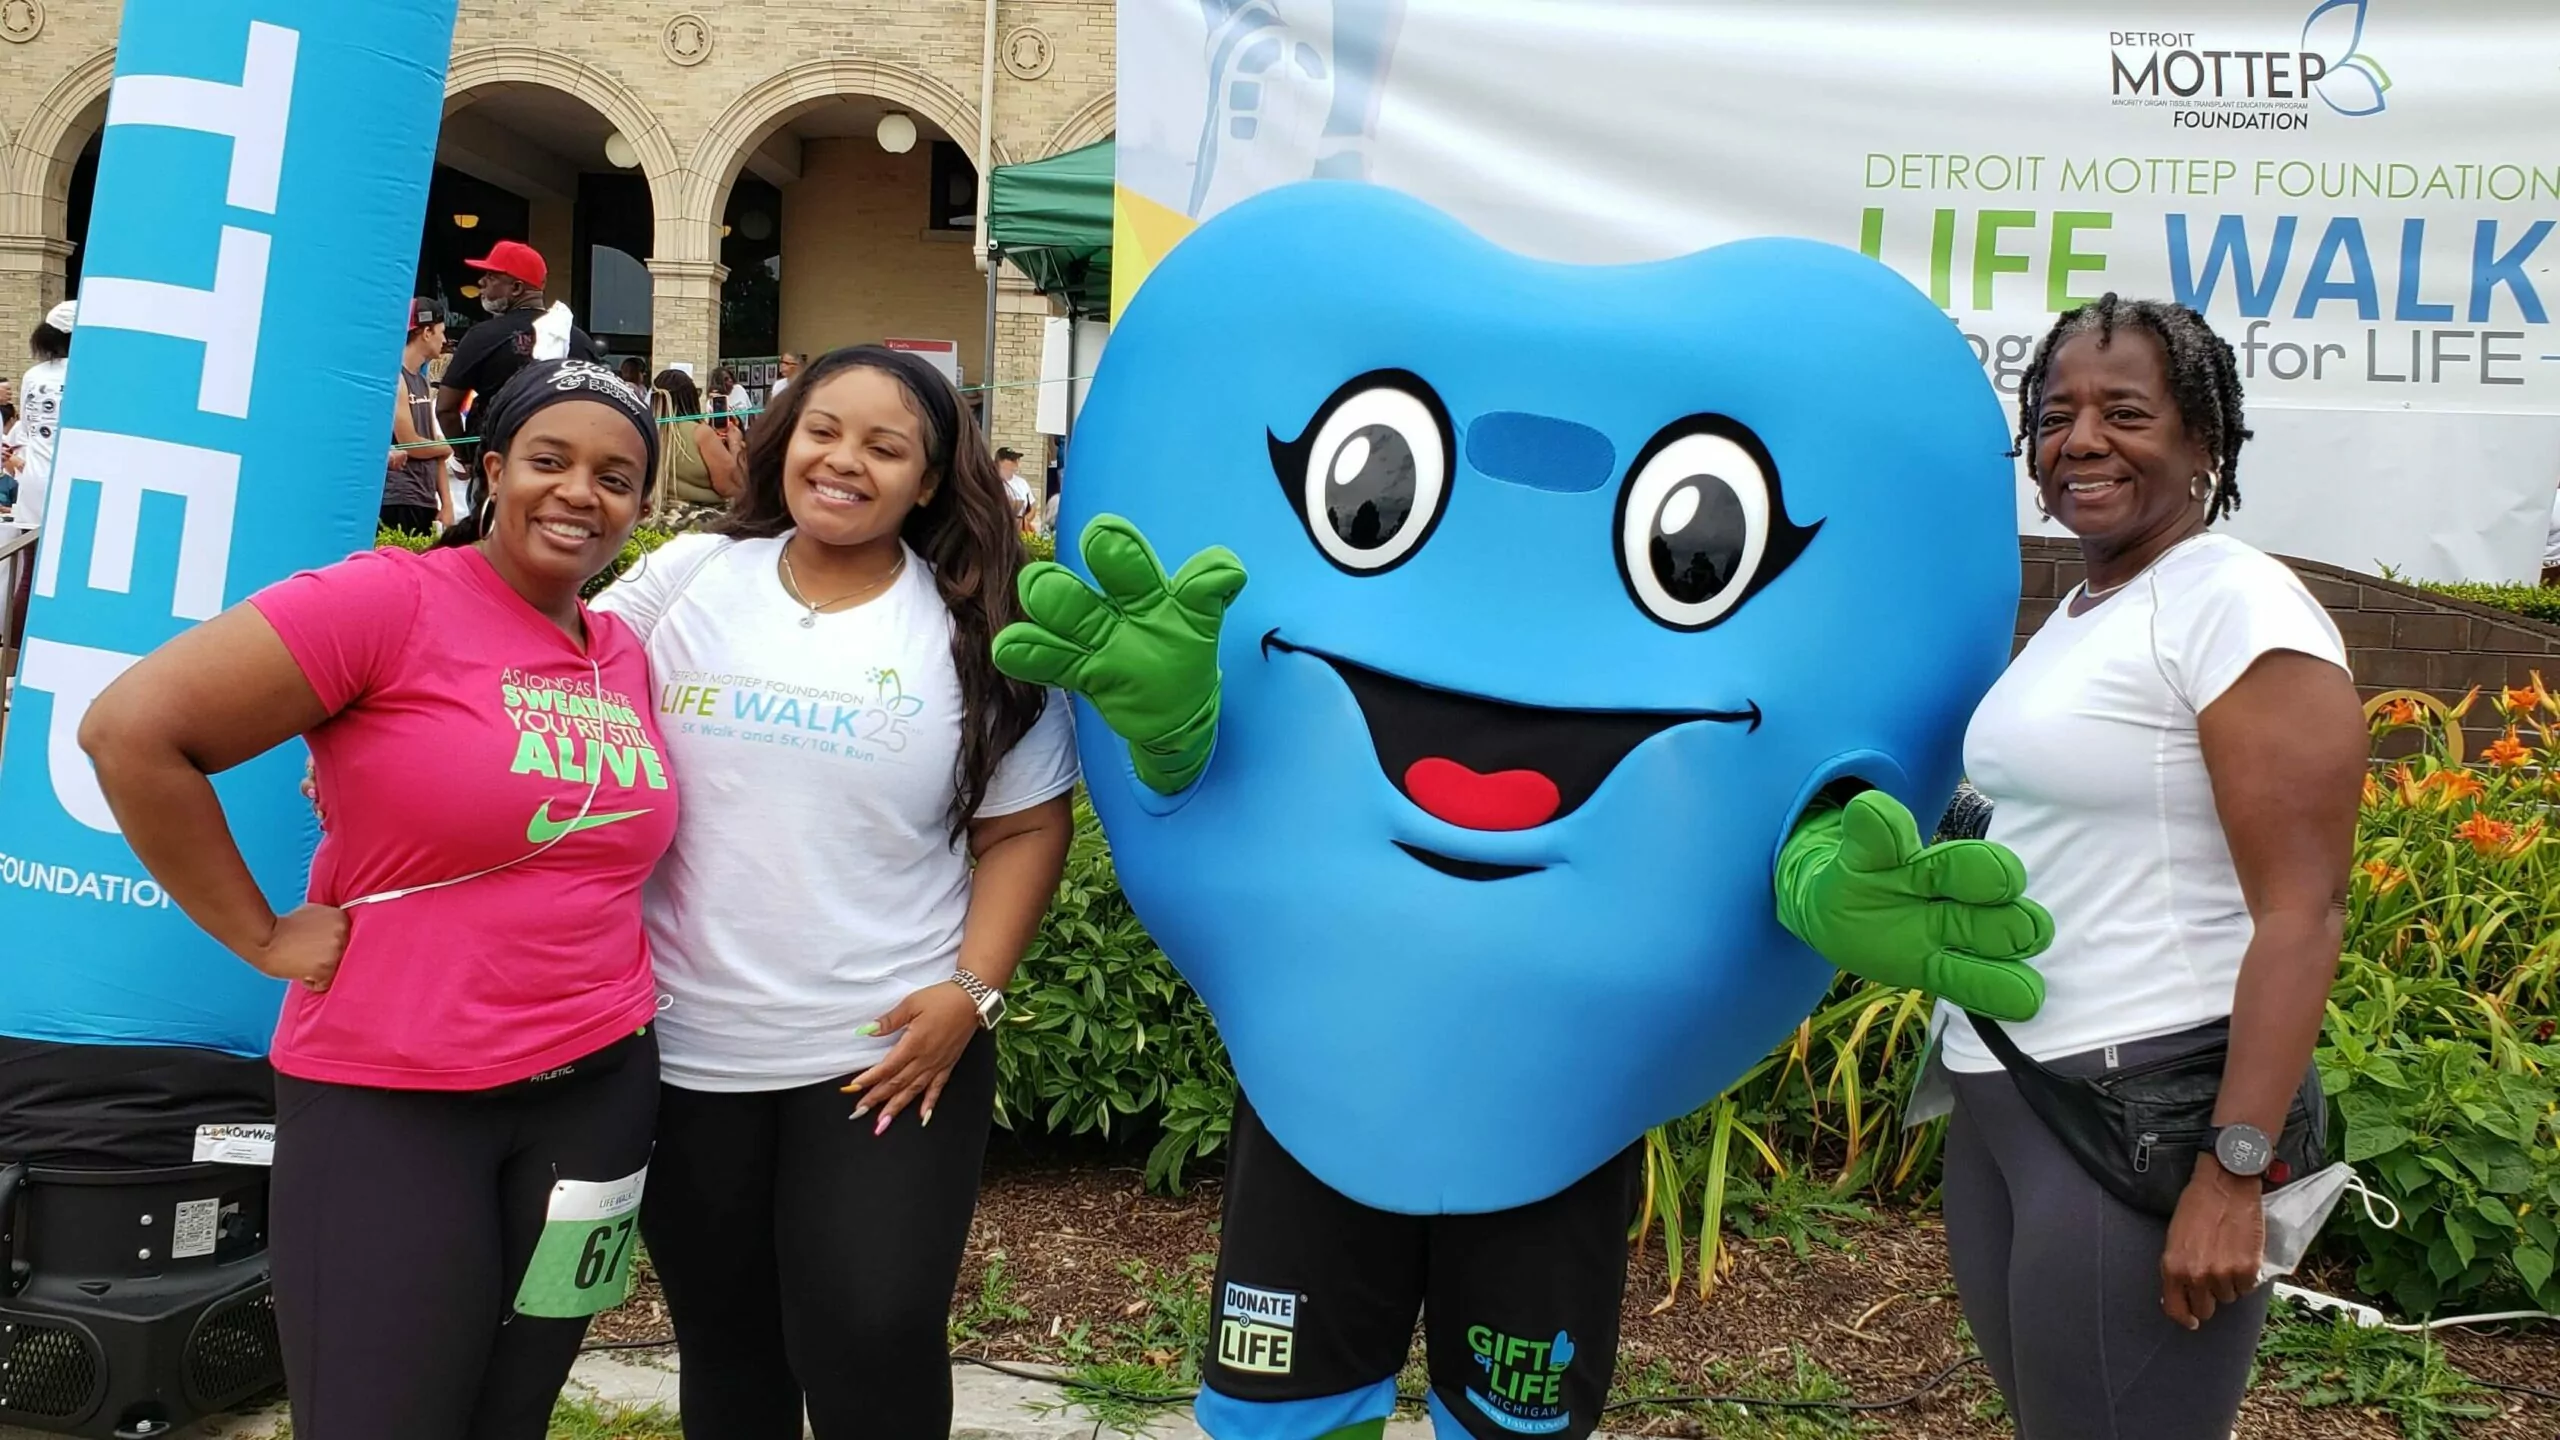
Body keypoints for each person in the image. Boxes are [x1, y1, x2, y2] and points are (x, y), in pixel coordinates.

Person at [78, 358, 676, 1440]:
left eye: (616, 475)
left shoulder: (619, 652)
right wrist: (258, 934)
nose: (581, 492)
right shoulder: (386, 600)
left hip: (596, 1096)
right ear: (493, 470)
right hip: (394, 1098)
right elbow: (131, 731)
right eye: (550, 460)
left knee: (515, 1411)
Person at [592, 344, 1077, 1439]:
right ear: (781, 438)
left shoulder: (975, 626)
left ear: (926, 476)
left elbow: (1026, 826)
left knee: (872, 1334)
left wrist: (973, 994)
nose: (843, 461)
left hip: (889, 1051)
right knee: (729, 1345)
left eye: (883, 445)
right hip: (687, 1047)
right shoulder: (691, 577)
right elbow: (541, 672)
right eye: (822, 430)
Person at [1940, 295, 2363, 1439]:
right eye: (2055, 414)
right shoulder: (2089, 604)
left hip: (2140, 1117)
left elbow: (2303, 909)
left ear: (2203, 444)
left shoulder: (2236, 605)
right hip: (2010, 1099)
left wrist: (2233, 1174)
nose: (2081, 439)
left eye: (2124, 412)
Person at [437, 240, 599, 467]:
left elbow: (446, 409)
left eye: (491, 276)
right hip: (561, 467)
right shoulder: (579, 341)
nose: (481, 282)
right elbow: (596, 411)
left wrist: (465, 457)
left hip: (497, 466)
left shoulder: (482, 336)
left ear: (516, 288)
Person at [383, 298, 454, 535]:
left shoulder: (422, 381)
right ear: (426, 332)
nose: (444, 340)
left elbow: (435, 445)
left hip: (424, 499)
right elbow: (409, 442)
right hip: (398, 498)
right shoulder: (396, 378)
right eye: (441, 332)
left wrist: (447, 502)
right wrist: (445, 447)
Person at [10, 300, 73, 528]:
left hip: (35, 480)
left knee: (31, 558)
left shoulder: (33, 375)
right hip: (77, 484)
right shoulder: (95, 374)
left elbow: (27, 427)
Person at [650, 368, 739, 511]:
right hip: (699, 522)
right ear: (691, 398)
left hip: (654, 518)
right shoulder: (701, 434)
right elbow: (731, 487)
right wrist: (735, 443)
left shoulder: (647, 433)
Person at [995, 446, 1034, 532]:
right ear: (1000, 462)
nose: (1016, 462)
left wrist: (1025, 520)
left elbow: (1032, 507)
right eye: (1012, 460)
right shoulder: (992, 482)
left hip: (1019, 528)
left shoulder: (1022, 483)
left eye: (1017, 459)